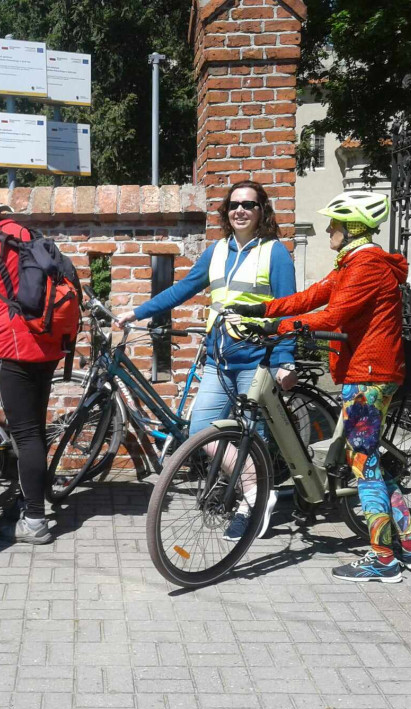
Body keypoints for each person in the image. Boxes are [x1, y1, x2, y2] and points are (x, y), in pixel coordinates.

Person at [233, 191, 411, 583]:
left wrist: (277, 328)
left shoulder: (368, 265)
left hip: (368, 375)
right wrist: (262, 309)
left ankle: (383, 559)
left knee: (363, 465)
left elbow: (335, 314)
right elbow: (312, 297)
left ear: (353, 226)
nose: (328, 229)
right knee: (369, 460)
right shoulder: (352, 261)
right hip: (367, 372)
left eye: (335, 224)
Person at [116, 180, 297, 541]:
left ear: (262, 211)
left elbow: (288, 310)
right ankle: (257, 489)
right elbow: (181, 289)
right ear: (226, 213)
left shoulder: (275, 252)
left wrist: (285, 359)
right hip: (219, 359)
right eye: (233, 205)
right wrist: (137, 313)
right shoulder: (216, 251)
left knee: (253, 435)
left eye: (248, 204)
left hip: (256, 361)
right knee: (201, 429)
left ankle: (253, 502)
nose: (240, 210)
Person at [0, 193, 72, 545]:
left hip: (15, 348)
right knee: (34, 429)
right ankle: (30, 499)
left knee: (25, 434)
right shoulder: (32, 238)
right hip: (48, 346)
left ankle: (35, 521)